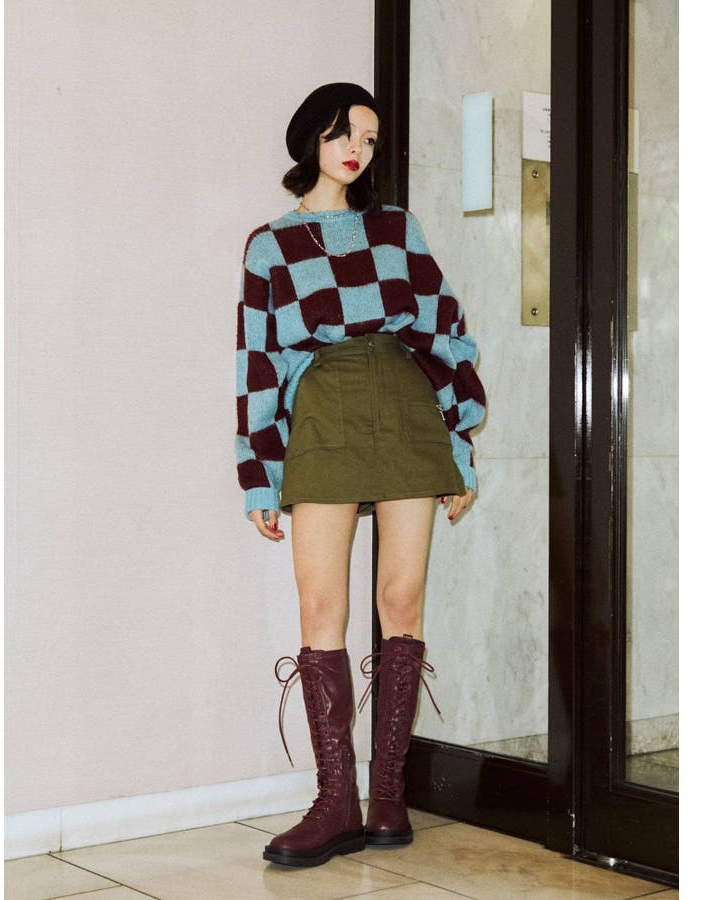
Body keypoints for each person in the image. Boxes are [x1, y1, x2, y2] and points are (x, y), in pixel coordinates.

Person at [235, 82, 486, 868]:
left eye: (370, 139)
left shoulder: (395, 228)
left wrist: (460, 444)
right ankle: (334, 801)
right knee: (322, 606)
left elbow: (445, 330)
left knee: (400, 601)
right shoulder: (271, 245)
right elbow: (258, 362)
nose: (357, 150)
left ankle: (388, 797)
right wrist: (258, 472)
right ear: (313, 136)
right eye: (345, 132)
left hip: (406, 404)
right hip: (325, 408)